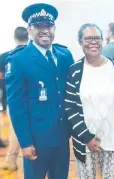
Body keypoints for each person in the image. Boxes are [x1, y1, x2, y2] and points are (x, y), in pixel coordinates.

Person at [5, 3, 74, 179]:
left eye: (48, 26)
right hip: (36, 141)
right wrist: (25, 142)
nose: (45, 31)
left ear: (54, 28)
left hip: (61, 138)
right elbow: (17, 106)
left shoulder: (65, 55)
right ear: (29, 29)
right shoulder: (19, 60)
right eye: (38, 26)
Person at [64, 23, 114, 179]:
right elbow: (70, 107)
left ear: (102, 40)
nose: (93, 42)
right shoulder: (75, 70)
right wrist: (86, 137)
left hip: (113, 139)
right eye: (88, 38)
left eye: (97, 38)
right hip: (85, 142)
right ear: (80, 42)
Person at [0, 26, 29, 170]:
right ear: (28, 36)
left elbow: (2, 77)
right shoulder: (34, 54)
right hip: (34, 98)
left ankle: (11, 161)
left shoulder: (6, 56)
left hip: (15, 98)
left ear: (14, 37)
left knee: (15, 129)